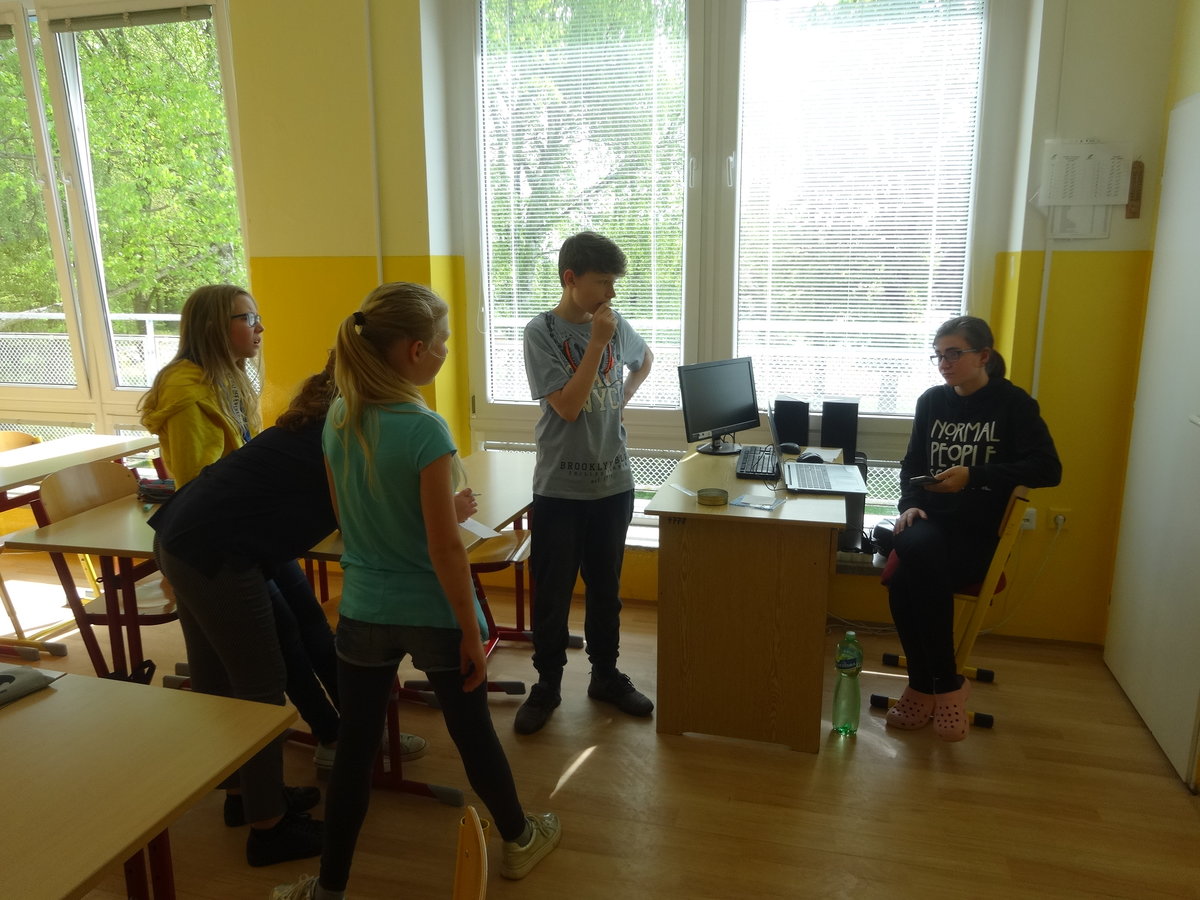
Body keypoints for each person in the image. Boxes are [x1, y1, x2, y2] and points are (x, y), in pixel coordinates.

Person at [274, 283, 560, 900]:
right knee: (472, 733)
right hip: (431, 610)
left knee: (355, 750)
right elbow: (444, 550)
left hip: (364, 608)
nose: (446, 350)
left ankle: (328, 888)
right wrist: (470, 628)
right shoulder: (425, 428)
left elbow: (350, 516)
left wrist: (438, 511)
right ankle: (519, 837)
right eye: (443, 341)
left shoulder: (339, 417)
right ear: (414, 350)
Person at [139, 286, 426, 780]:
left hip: (243, 529)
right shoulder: (189, 390)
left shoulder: (238, 381)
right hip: (215, 539)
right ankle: (266, 795)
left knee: (304, 627)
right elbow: (198, 480)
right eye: (246, 318)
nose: (260, 328)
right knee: (261, 671)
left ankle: (345, 736)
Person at [149, 360, 341, 867]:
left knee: (218, 680)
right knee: (260, 686)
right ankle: (269, 830)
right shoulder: (341, 433)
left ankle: (245, 798)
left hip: (181, 535)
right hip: (214, 553)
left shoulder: (318, 421)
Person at [886, 315, 1061, 741]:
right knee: (916, 548)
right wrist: (909, 504)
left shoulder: (1013, 405)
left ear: (983, 356)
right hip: (928, 520)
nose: (944, 364)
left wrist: (975, 476)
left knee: (906, 577)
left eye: (954, 354)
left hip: (977, 533)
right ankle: (945, 684)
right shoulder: (931, 401)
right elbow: (912, 464)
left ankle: (926, 684)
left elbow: (1048, 469)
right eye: (938, 355)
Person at [513, 231, 655, 735]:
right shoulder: (542, 332)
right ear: (571, 279)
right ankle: (547, 684)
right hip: (560, 489)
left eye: (614, 283)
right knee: (552, 594)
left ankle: (605, 676)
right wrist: (596, 343)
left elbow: (645, 359)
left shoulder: (614, 324)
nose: (610, 294)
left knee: (606, 590)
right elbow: (569, 407)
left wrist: (621, 399)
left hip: (614, 484)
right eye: (602, 282)